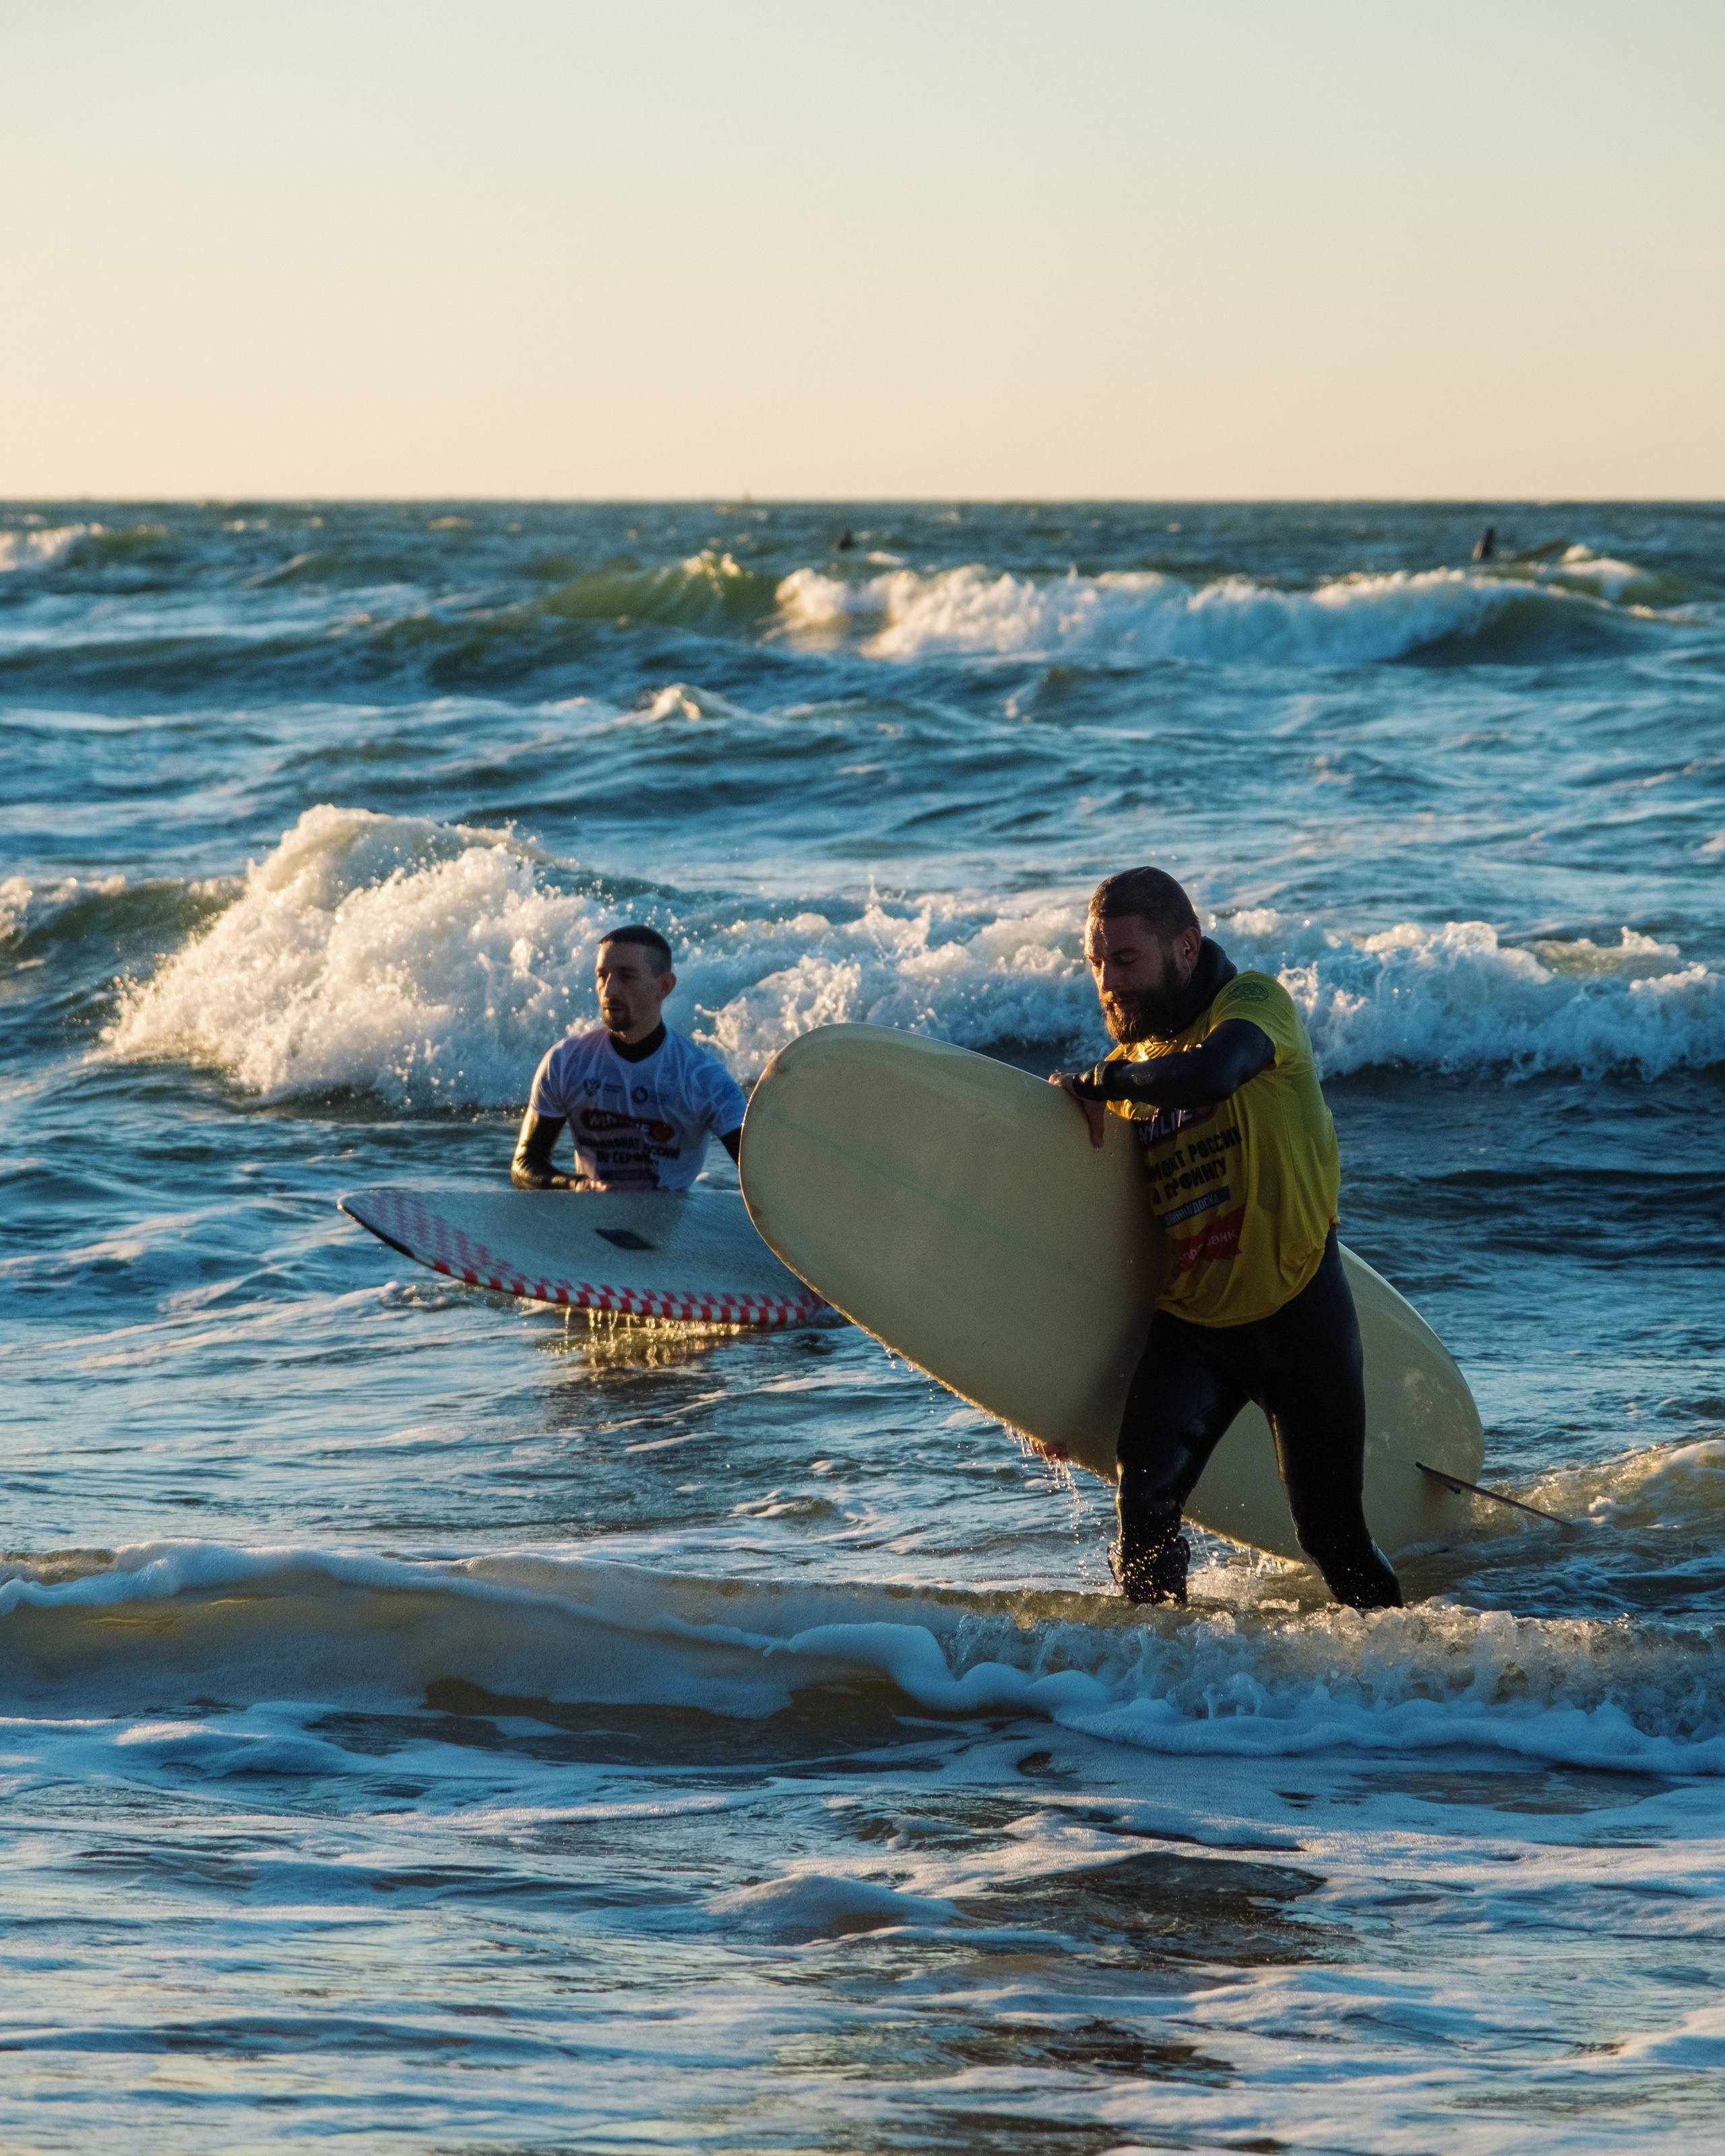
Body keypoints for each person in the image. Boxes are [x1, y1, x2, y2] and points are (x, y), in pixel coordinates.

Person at [1050, 866, 1402, 1612]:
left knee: (1332, 1536)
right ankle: (1166, 1674)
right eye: (1096, 963)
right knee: (1142, 1518)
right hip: (1194, 1329)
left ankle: (1415, 1674)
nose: (1108, 983)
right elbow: (1089, 1239)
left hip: (1298, 1311)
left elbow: (1216, 1072)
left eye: (1125, 960)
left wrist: (1103, 1082)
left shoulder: (1254, 1006)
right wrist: (1047, 1392)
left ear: (1185, 947)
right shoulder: (1134, 1067)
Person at [511, 926, 747, 1191]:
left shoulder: (703, 1077)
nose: (609, 990)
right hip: (595, 1208)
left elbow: (763, 1173)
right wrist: (576, 1185)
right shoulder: (566, 1062)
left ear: (664, 987)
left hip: (675, 1211)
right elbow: (524, 1164)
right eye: (602, 976)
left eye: (626, 977)